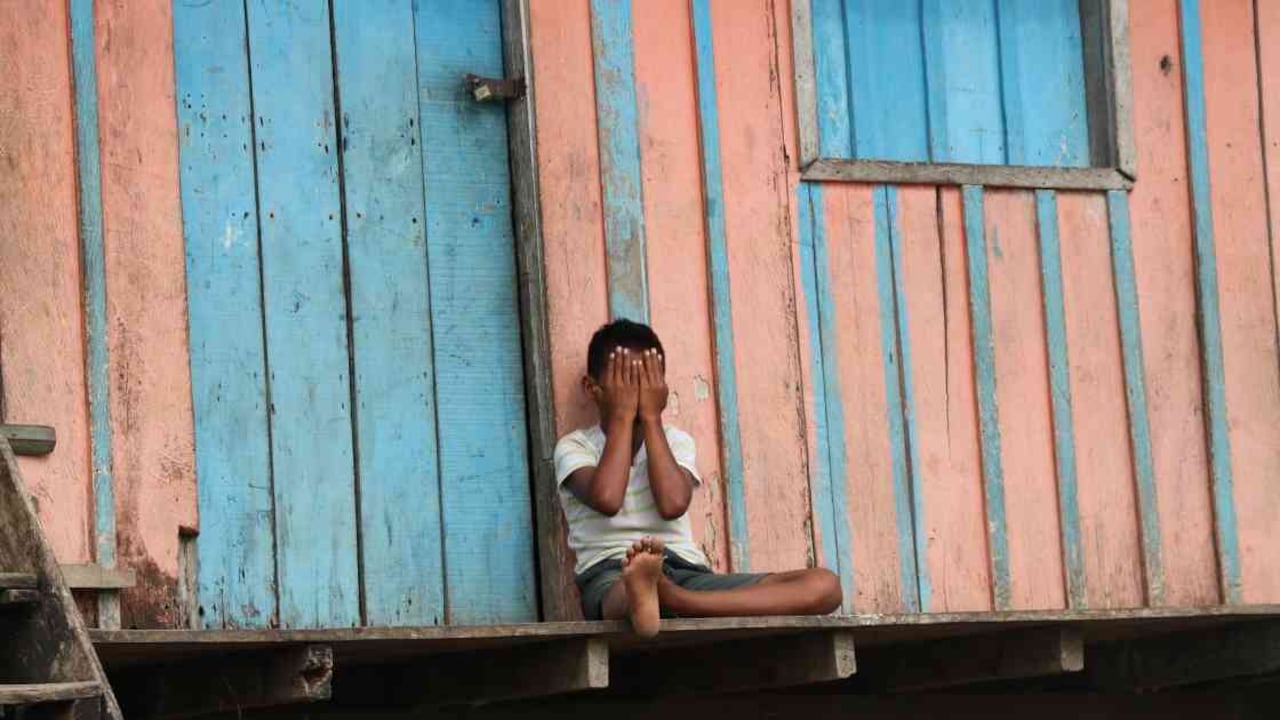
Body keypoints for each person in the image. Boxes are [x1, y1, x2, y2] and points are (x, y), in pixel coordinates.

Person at [554, 319, 842, 637]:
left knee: (824, 586)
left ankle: (676, 600)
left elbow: (672, 504)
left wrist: (651, 418)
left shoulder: (675, 441)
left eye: (646, 382)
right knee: (621, 594)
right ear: (591, 388)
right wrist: (623, 416)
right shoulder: (574, 446)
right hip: (611, 573)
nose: (635, 393)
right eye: (626, 381)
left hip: (685, 573)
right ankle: (644, 590)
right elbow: (607, 498)